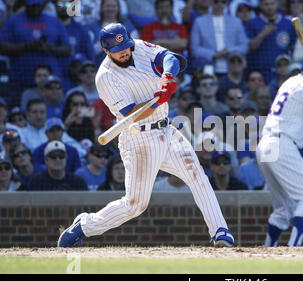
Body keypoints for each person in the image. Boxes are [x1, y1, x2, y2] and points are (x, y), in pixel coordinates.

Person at [57, 23, 234, 248]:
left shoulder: (138, 47)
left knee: (197, 176)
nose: (125, 52)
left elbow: (170, 57)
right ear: (106, 51)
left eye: (126, 46)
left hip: (167, 130)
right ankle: (85, 225)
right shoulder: (105, 77)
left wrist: (168, 76)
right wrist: (158, 98)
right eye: (117, 49)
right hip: (138, 138)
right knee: (135, 205)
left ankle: (220, 231)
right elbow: (131, 115)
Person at [256, 51, 303, 247]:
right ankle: (294, 249)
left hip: (265, 145)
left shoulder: (290, 82)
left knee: (284, 207)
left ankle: (268, 250)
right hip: (282, 145)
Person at [0, 0, 72, 107]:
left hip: (50, 84)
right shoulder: (13, 21)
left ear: (44, 5)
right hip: (20, 81)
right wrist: (26, 46)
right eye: (32, 5)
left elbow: (67, 49)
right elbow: (2, 47)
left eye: (38, 5)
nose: (36, 8)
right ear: (25, 4)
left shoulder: (54, 22)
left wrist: (49, 49)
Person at [189, 0, 248, 76]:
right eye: (216, 1)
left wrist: (229, 50)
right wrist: (213, 54)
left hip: (231, 65)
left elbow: (244, 46)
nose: (219, 4)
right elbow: (194, 48)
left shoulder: (236, 22)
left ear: (226, 3)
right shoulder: (199, 22)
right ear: (211, 2)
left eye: (223, 2)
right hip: (208, 66)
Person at [245, 0, 297, 83]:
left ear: (277, 4)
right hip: (260, 72)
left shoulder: (287, 24)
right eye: (266, 4)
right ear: (260, 5)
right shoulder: (253, 23)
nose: (269, 7)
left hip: (282, 72)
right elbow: (249, 47)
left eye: (272, 4)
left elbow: (293, 47)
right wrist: (262, 34)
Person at [55, 0, 96, 91]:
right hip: (56, 79)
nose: (65, 7)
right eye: (61, 3)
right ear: (55, 5)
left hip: (78, 81)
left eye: (68, 3)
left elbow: (91, 57)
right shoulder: (50, 27)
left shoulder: (81, 30)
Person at [87, 0, 139, 67]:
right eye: (107, 6)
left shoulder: (128, 26)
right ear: (101, 8)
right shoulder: (93, 27)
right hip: (102, 66)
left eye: (114, 6)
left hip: (125, 66)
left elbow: (135, 47)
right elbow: (90, 50)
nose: (111, 9)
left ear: (118, 8)